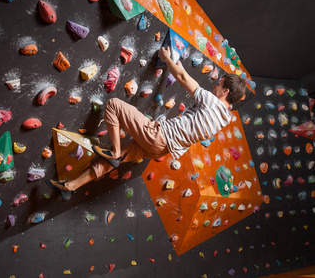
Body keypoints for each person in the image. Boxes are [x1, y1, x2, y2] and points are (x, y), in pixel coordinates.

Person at [46, 46, 247, 201]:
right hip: (161, 149)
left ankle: (114, 152)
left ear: (225, 92)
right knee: (109, 163)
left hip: (158, 136)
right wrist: (176, 59)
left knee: (114, 105)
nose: (215, 85)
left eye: (218, 84)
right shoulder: (223, 119)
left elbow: (183, 77)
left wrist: (167, 57)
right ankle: (70, 187)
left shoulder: (212, 102)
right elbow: (184, 75)